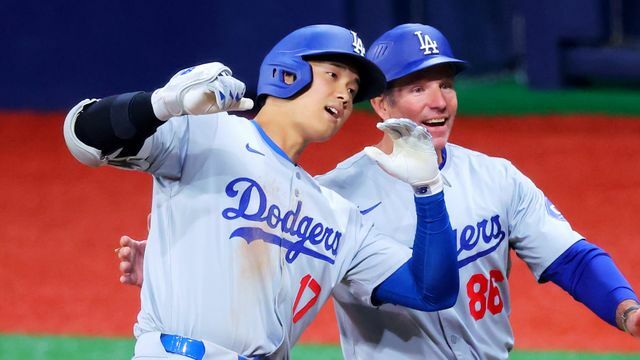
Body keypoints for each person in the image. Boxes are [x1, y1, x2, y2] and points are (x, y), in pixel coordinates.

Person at [118, 23, 640, 359]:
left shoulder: (497, 178)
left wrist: (627, 310)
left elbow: (572, 259)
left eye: (447, 85)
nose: (439, 102)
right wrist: (178, 256)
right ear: (383, 108)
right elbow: (263, 264)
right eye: (418, 88)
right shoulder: (334, 194)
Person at [65, 24, 460, 360]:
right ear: (287, 74)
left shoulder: (339, 216)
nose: (344, 94)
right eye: (333, 75)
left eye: (353, 87)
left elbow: (431, 291)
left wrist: (428, 190)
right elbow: (83, 135)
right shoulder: (208, 133)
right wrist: (162, 104)